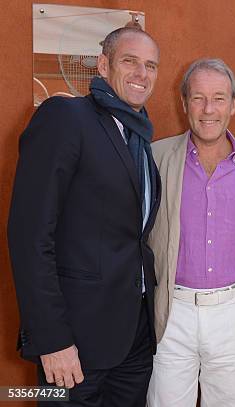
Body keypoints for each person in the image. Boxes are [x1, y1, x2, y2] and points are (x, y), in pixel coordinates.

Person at [8, 26, 161, 406]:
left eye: (151, 65)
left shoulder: (140, 137)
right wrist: (52, 338)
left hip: (134, 339)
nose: (142, 73)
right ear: (103, 65)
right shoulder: (66, 116)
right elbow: (30, 235)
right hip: (75, 341)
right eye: (130, 61)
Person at [146, 58, 235, 407]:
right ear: (184, 104)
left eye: (218, 98)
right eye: (198, 98)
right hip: (172, 311)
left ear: (233, 103)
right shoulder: (156, 157)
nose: (208, 109)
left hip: (234, 310)